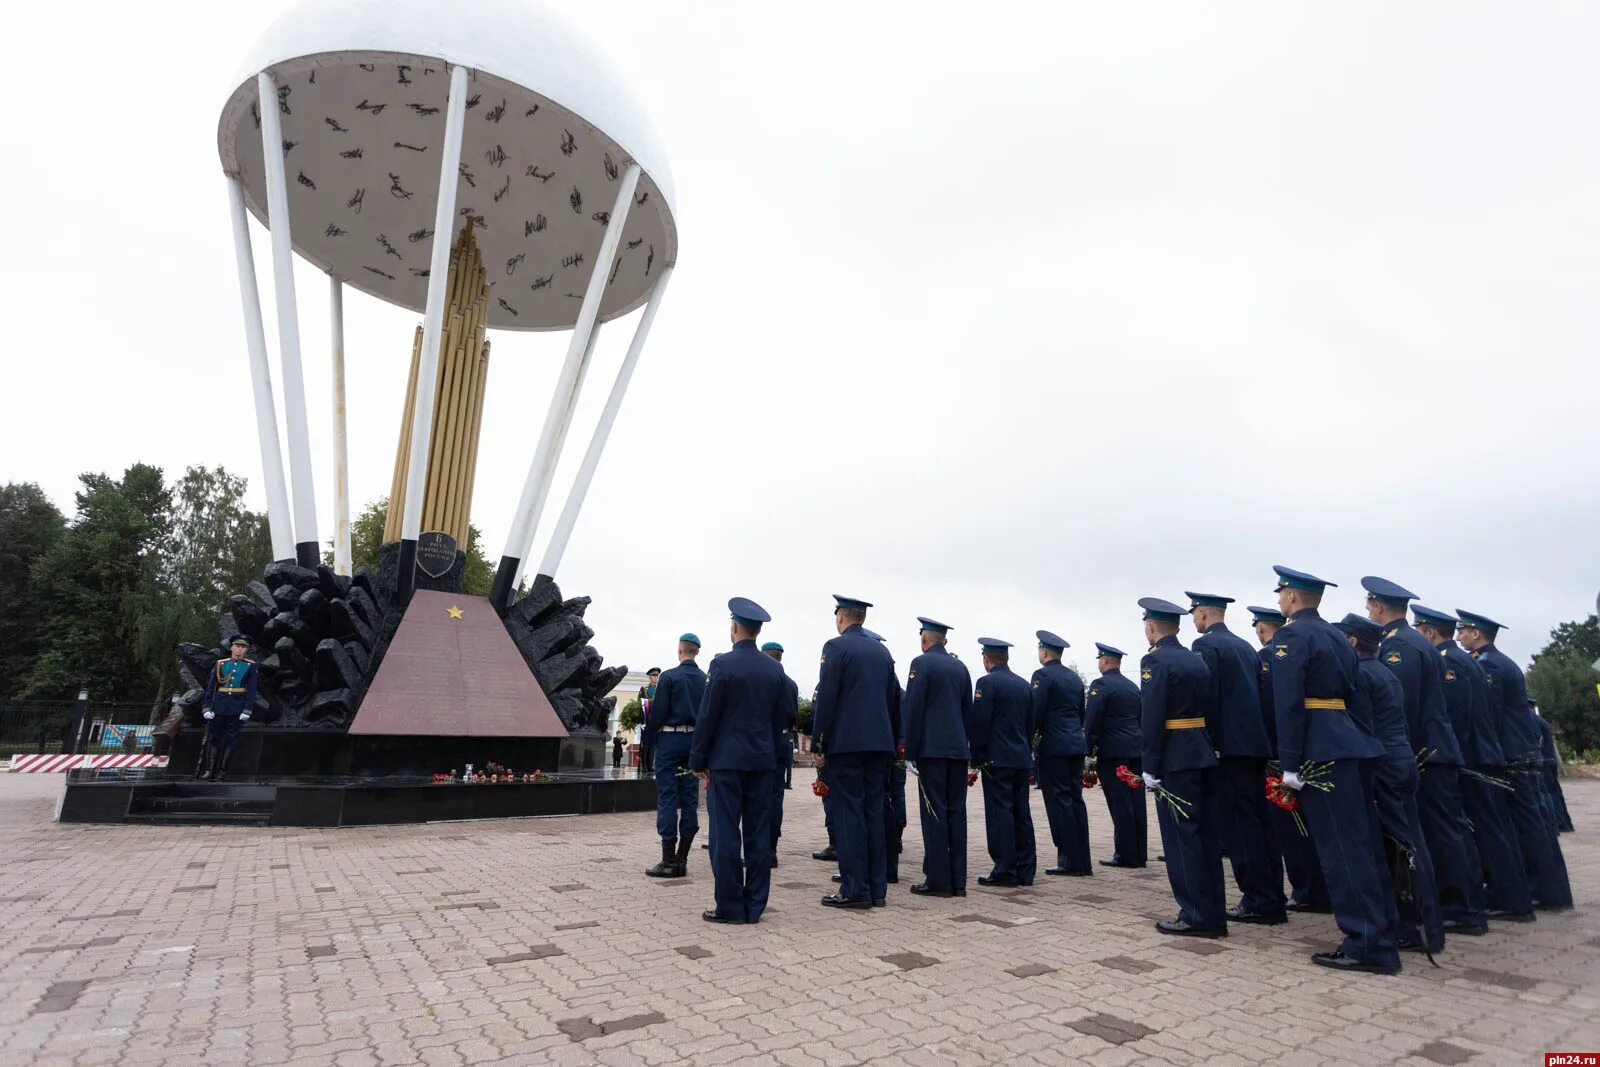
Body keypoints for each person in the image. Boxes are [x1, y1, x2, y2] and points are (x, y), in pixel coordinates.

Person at [1270, 566, 1398, 974]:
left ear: (1291, 597)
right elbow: (1355, 696)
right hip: (1350, 745)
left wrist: (1289, 764)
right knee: (1362, 846)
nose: (1278, 599)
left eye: (1280, 593)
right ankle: (1380, 930)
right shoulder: (1337, 638)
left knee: (1341, 850)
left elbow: (1288, 703)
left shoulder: (1291, 636)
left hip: (1320, 750)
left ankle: (1366, 944)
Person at [1363, 577, 1486, 936]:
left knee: (1440, 833)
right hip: (1433, 751)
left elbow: (1403, 707)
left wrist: (1402, 753)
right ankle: (1458, 906)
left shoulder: (1400, 645)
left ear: (1380, 607)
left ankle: (1459, 908)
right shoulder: (1417, 642)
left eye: (1370, 606)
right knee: (1444, 831)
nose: (1369, 612)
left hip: (1424, 754)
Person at [1412, 605, 1535, 923]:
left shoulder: (1450, 661)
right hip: (1480, 754)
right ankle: (1505, 898)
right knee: (1488, 829)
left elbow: (1456, 716)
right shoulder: (1459, 658)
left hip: (1475, 757)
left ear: (1429, 632)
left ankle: (1509, 901)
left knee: (1489, 830)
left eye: (1418, 629)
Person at [1334, 613, 1444, 957]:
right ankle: (1425, 925)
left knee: (1397, 850)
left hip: (1382, 765)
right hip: (1401, 759)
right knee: (1410, 845)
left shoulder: (1362, 674)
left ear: (1352, 643)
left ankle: (1412, 927)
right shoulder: (1384, 671)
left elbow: (1361, 727)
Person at [1456, 609, 1573, 910]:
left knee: (1527, 826)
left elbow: (1489, 714)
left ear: (1477, 634)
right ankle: (1549, 891)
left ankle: (1544, 892)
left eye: (1463, 631)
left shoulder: (1491, 665)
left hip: (1511, 754)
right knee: (1533, 824)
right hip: (1518, 752)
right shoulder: (1496, 662)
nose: (1459, 636)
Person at [690, 598, 790, 924]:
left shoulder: (721, 665)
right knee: (759, 834)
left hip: (726, 762)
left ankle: (730, 906)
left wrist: (698, 758)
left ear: (734, 627)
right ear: (758, 631)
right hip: (762, 762)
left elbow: (708, 716)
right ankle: (755, 905)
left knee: (725, 834)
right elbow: (782, 719)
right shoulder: (775, 669)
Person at [1188, 592, 1285, 926]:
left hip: (1228, 749)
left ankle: (1259, 899)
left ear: (1202, 613)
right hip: (1254, 745)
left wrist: (1209, 742)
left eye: (1194, 613)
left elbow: (1207, 697)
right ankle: (1273, 897)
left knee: (1239, 827)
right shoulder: (1245, 647)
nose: (1194, 619)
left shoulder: (1206, 647)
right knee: (1259, 824)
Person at [1137, 598, 1225, 938]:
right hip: (1201, 752)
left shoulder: (1155, 661)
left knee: (1181, 839)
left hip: (1174, 757)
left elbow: (1153, 715)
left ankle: (1195, 914)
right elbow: (1213, 709)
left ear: (1151, 626)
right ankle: (1213, 911)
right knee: (1204, 836)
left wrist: (1150, 764)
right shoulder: (1196, 659)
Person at [811, 595, 900, 909]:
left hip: (846, 745)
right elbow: (893, 701)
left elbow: (827, 701)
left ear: (841, 616)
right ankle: (877, 889)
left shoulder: (835, 648)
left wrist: (819, 744)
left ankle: (854, 888)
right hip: (879, 744)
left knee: (849, 814)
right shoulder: (882, 651)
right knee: (874, 812)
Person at [1250, 604, 1329, 914]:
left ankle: (1308, 889)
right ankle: (1315, 887)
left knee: (1291, 827)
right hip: (1314, 745)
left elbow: (1274, 707)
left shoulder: (1267, 657)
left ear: (1261, 628)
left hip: (1282, 751)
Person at [903, 617, 973, 897]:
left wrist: (910, 750)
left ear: (924, 638)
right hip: (957, 750)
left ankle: (937, 880)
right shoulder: (961, 667)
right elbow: (967, 711)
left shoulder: (921, 664)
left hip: (931, 751)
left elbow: (914, 709)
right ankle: (958, 881)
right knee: (956, 814)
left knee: (934, 815)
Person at [970, 637, 1036, 888]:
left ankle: (1004, 869)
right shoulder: (1023, 685)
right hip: (1020, 757)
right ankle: (1026, 869)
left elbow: (980, 724)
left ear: (986, 658)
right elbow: (1030, 724)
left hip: (997, 760)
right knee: (1022, 813)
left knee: (1001, 815)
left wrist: (977, 757)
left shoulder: (986, 683)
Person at [642, 636, 705, 879]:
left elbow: (658, 713)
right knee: (690, 797)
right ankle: (682, 858)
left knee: (668, 795)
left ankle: (668, 859)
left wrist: (649, 738)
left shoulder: (668, 677)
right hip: (694, 742)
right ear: (696, 652)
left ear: (680, 650)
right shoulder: (705, 678)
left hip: (669, 741)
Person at [1031, 630, 1091, 876]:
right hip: (1075, 744)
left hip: (1053, 747)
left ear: (1044, 652)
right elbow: (1080, 712)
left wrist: (1030, 741)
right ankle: (1082, 858)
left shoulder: (1042, 675)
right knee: (1075, 799)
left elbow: (1036, 712)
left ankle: (1068, 859)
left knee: (1059, 802)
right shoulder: (1074, 678)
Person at [1084, 642, 1146, 868]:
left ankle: (1126, 854)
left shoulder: (1100, 685)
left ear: (1105, 661)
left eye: (1100, 659)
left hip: (1113, 752)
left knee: (1120, 803)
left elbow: (1092, 720)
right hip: (1135, 749)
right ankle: (1140, 852)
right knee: (1136, 802)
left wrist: (1089, 750)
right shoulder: (1132, 687)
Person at [863, 629, 907, 885]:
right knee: (887, 804)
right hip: (890, 751)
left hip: (874, 754)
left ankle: (875, 866)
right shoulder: (894, 683)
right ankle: (889, 865)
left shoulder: (875, 684)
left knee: (874, 806)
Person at [761, 641, 799, 867]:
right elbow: (793, 715)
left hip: (766, 740)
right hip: (784, 740)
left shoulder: (765, 681)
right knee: (776, 796)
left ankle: (761, 848)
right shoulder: (791, 683)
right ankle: (772, 848)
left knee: (760, 796)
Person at [199, 636, 257, 781]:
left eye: (243, 647)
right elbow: (211, 688)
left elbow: (251, 690)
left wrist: (247, 710)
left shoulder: (250, 666)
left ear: (246, 650)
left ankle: (222, 771)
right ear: (231, 648)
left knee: (232, 739)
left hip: (237, 707)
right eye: (237, 646)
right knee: (214, 738)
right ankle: (210, 770)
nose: (240, 649)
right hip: (219, 706)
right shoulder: (220, 664)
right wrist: (206, 707)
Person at [1533, 706, 1574, 833]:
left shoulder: (1534, 721)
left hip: (1544, 762)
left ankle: (1556, 824)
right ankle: (1564, 823)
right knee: (1555, 792)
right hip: (1550, 760)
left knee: (1547, 793)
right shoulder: (1541, 721)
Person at [638, 667, 661, 777]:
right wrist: (641, 720)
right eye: (653, 675)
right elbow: (640, 704)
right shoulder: (644, 690)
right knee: (645, 744)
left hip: (655, 721)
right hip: (646, 720)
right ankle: (644, 766)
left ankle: (651, 765)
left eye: (656, 676)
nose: (655, 678)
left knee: (653, 744)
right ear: (649, 677)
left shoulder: (660, 689)